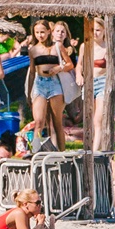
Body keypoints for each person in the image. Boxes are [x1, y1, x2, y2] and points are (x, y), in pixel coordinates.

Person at [28, 21, 70, 150]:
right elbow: (31, 72)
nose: (40, 35)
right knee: (39, 121)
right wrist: (29, 93)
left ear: (48, 32)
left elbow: (69, 64)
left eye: (42, 32)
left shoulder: (57, 47)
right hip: (40, 83)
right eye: (37, 33)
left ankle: (62, 153)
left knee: (56, 122)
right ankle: (35, 152)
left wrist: (59, 68)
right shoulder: (33, 50)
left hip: (55, 83)